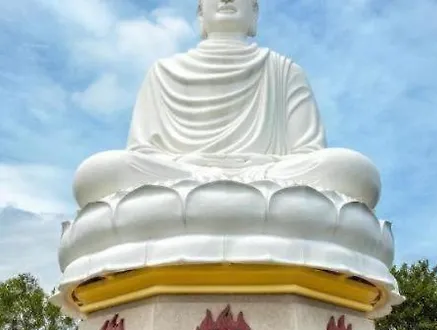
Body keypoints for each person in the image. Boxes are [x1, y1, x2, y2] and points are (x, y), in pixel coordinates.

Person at [74, 0, 381, 209]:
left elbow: (308, 153)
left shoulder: (284, 71)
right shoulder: (163, 72)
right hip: (181, 175)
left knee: (352, 170)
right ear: (200, 13)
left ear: (254, 12)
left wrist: (257, 168)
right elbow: (143, 152)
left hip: (268, 176)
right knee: (100, 172)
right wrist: (191, 167)